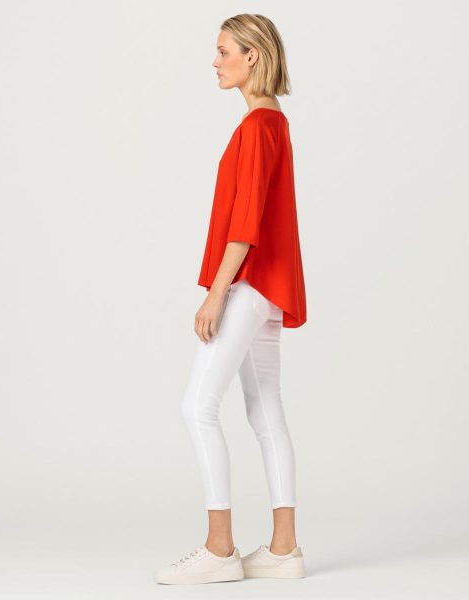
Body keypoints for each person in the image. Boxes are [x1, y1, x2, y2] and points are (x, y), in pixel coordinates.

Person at [155, 13, 307, 585]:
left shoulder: (257, 127)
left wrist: (216, 294)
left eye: (224, 52)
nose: (215, 62)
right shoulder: (274, 123)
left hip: (248, 282)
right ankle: (284, 549)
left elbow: (245, 222)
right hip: (269, 286)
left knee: (197, 406)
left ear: (252, 56)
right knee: (266, 408)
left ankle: (219, 550)